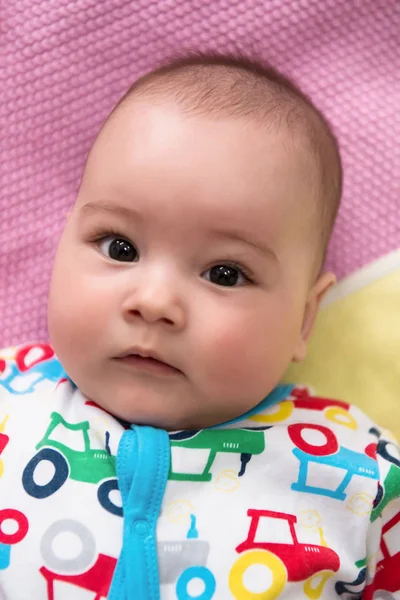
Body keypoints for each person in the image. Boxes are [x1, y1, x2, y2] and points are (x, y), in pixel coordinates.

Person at [0, 53, 398, 600]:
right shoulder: (8, 400)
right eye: (120, 247)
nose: (155, 302)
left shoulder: (360, 473)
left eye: (225, 273)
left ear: (305, 317)